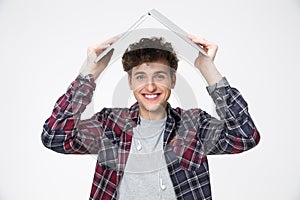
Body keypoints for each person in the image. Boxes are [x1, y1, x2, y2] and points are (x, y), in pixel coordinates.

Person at [41, 35, 260, 200]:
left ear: (173, 81)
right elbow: (55, 136)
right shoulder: (110, 125)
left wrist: (207, 68)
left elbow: (245, 136)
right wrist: (90, 72)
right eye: (140, 77)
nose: (150, 86)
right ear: (130, 83)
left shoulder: (194, 125)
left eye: (160, 76)